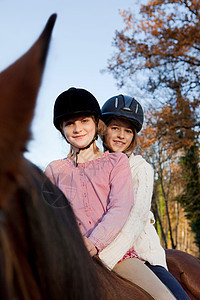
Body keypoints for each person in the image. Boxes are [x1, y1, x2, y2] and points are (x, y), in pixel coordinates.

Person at [45, 87, 177, 300]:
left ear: (96, 124)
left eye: (84, 121)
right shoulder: (54, 170)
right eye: (70, 123)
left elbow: (120, 207)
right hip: (71, 255)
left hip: (119, 257)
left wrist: (94, 242)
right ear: (61, 129)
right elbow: (50, 217)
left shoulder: (117, 162)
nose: (78, 129)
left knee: (165, 297)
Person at [99, 94, 191, 300]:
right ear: (103, 130)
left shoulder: (140, 168)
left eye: (128, 131)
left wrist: (108, 256)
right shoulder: (94, 166)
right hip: (100, 247)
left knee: (177, 298)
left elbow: (136, 217)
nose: (121, 135)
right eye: (115, 128)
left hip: (141, 254)